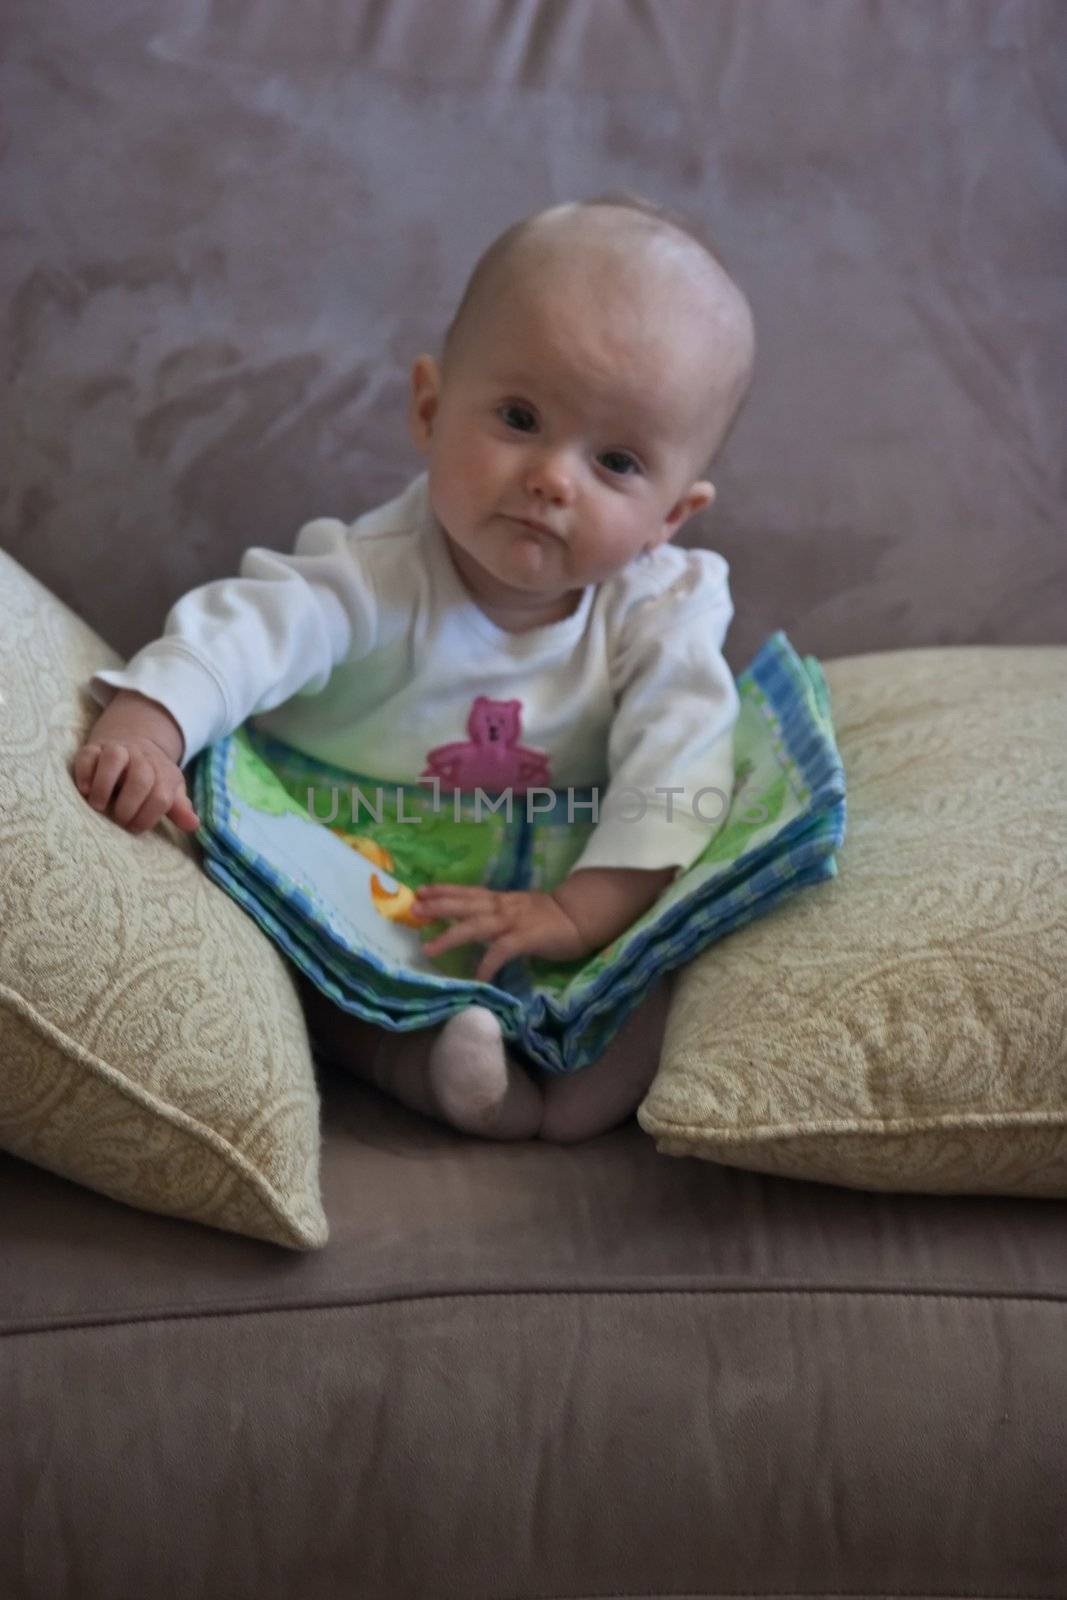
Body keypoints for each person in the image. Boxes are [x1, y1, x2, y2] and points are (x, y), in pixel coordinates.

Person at [71, 193, 756, 1144]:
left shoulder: (661, 610)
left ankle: (607, 1059)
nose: (554, 477)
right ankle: (428, 1065)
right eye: (519, 417)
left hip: (561, 874)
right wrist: (154, 717)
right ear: (430, 410)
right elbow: (257, 627)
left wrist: (575, 913)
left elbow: (680, 759)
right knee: (300, 948)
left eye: (616, 461)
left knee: (700, 898)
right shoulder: (377, 572)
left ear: (674, 516)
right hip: (360, 850)